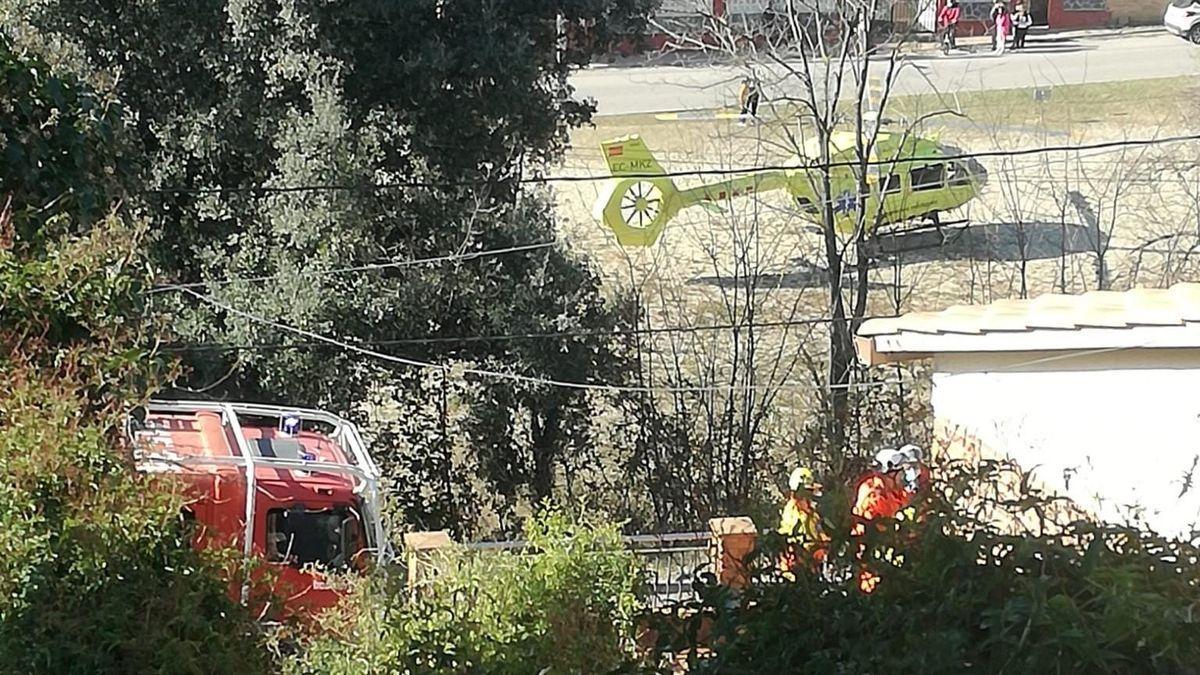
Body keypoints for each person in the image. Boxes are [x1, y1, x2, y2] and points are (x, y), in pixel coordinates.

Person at [850, 445, 930, 593]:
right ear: (891, 474)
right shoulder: (875, 499)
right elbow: (880, 536)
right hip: (874, 564)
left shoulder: (882, 488)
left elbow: (900, 499)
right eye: (901, 473)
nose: (903, 477)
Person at [778, 466, 827, 578]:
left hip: (814, 562)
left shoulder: (813, 514)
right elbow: (790, 539)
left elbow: (819, 531)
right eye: (806, 493)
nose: (809, 497)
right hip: (799, 564)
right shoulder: (792, 512)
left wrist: (823, 546)